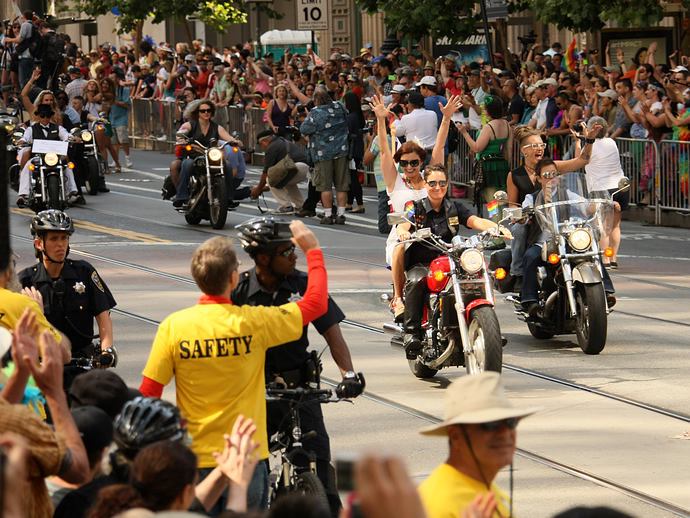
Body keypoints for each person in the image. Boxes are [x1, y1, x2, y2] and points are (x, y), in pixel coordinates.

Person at [139, 220, 328, 509]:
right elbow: (315, 304)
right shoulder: (253, 323)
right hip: (246, 458)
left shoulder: (173, 327)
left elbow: (148, 394)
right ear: (233, 279)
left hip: (194, 459)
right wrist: (313, 250)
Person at [232, 216, 365, 514]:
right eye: (287, 252)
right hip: (255, 390)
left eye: (295, 251)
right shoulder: (238, 291)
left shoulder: (305, 284)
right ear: (263, 259)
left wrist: (349, 375)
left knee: (319, 458)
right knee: (252, 467)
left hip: (300, 386)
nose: (294, 256)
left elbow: (332, 332)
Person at [394, 164, 512, 357]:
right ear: (425, 184)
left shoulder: (454, 207)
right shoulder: (414, 207)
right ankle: (412, 333)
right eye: (432, 183)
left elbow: (476, 221)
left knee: (478, 276)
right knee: (416, 282)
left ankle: (488, 326)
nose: (437, 187)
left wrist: (496, 228)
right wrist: (403, 233)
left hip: (449, 260)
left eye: (442, 183)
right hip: (422, 262)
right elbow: (403, 224)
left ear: (447, 184)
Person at [369, 94, 461, 321]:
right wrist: (381, 120)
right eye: (404, 163)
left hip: (434, 236)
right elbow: (383, 151)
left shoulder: (432, 180)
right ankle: (398, 298)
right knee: (401, 245)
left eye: (414, 162)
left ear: (421, 162)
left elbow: (439, 148)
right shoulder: (395, 181)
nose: (409, 166)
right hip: (404, 236)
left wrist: (446, 118)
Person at [1, 310, 90, 518]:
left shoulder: (7, 417)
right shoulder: (20, 422)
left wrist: (21, 373)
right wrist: (55, 392)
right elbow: (78, 469)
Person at [418, 372, 539, 518]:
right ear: (456, 437)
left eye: (510, 422)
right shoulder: (437, 503)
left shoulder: (487, 490)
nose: (504, 432)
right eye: (490, 424)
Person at [18, 210, 117, 389]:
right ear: (39, 243)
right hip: (43, 366)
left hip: (83, 365)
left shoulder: (84, 272)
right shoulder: (25, 281)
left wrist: (107, 350)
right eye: (54, 239)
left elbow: (103, 315)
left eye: (64, 238)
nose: (60, 245)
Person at [505, 125, 597, 293]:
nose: (539, 149)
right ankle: (517, 272)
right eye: (534, 146)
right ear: (524, 150)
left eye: (541, 145)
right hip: (530, 221)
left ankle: (598, 286)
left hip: (555, 220)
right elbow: (513, 204)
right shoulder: (515, 175)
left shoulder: (552, 166)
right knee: (518, 229)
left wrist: (589, 140)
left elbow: (583, 160)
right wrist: (519, 215)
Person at [520, 158, 616, 317]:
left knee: (592, 253)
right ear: (538, 178)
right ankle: (530, 300)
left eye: (554, 174)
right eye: (547, 175)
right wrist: (525, 214)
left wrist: (605, 202)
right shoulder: (532, 197)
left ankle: (605, 290)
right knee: (530, 257)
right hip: (543, 242)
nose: (551, 178)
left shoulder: (567, 194)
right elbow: (525, 212)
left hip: (566, 240)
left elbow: (586, 207)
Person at [172, 99, 242, 207]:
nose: (206, 113)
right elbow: (182, 132)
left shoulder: (216, 127)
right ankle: (182, 196)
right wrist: (181, 138)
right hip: (194, 156)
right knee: (187, 164)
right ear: (197, 113)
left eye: (208, 110)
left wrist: (235, 141)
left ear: (212, 112)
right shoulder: (190, 125)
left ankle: (228, 198)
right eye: (203, 111)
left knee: (227, 165)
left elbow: (227, 137)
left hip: (211, 157)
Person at [299, 86, 350, 225]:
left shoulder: (316, 112)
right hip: (341, 150)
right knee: (341, 185)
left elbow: (304, 129)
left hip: (323, 153)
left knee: (325, 186)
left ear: (316, 99)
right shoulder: (339, 106)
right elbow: (347, 117)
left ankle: (328, 215)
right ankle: (341, 214)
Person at [582, 116, 628, 269]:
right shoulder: (611, 142)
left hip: (601, 189)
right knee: (615, 226)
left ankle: (605, 260)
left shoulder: (590, 146)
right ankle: (613, 258)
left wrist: (580, 139)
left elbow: (580, 160)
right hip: (619, 186)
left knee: (603, 228)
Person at [16, 103, 80, 207]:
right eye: (42, 116)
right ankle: (24, 195)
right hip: (38, 157)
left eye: (47, 116)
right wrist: (21, 141)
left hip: (55, 157)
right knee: (27, 166)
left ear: (51, 116)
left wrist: (73, 138)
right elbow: (25, 138)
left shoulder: (58, 128)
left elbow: (66, 135)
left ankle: (72, 192)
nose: (45, 118)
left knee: (67, 166)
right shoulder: (31, 129)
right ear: (38, 116)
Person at [457, 95, 512, 215]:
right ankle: (500, 223)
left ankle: (496, 224)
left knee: (492, 200)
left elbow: (477, 148)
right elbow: (508, 150)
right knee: (501, 198)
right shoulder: (506, 124)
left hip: (488, 166)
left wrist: (464, 132)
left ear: (489, 110)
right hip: (501, 165)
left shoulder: (489, 127)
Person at [252, 129, 310, 215]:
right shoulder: (283, 141)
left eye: (261, 144)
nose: (262, 147)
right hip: (305, 168)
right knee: (286, 182)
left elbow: (266, 173)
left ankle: (285, 206)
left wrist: (258, 189)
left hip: (296, 167)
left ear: (264, 141)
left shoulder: (272, 147)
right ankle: (300, 205)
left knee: (270, 179)